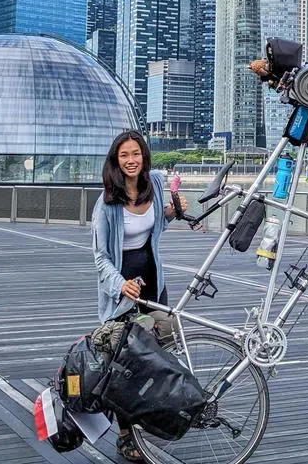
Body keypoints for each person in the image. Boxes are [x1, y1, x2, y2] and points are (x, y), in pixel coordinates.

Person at [91, 129, 187, 462]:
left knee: (166, 343)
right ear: (115, 161)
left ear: (144, 156)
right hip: (123, 289)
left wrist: (172, 213)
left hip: (153, 281)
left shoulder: (156, 183)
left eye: (136, 154)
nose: (131, 161)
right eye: (124, 156)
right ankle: (124, 435)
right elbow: (101, 256)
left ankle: (151, 418)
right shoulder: (106, 203)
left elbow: (157, 226)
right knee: (127, 366)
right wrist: (120, 284)